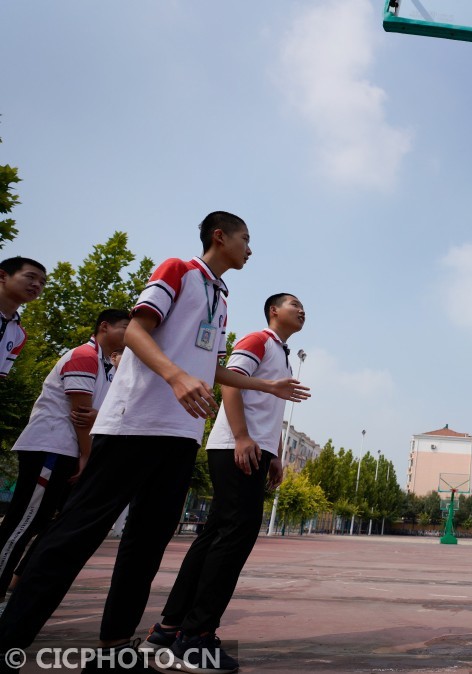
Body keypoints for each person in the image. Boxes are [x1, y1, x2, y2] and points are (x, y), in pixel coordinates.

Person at [0, 211, 310, 672]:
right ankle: (10, 640)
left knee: (145, 548)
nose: (250, 248)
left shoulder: (220, 297)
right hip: (133, 424)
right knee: (73, 537)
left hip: (180, 435)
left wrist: (268, 387)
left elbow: (210, 367)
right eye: (246, 239)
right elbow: (137, 331)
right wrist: (175, 376)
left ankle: (115, 652)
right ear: (219, 237)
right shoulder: (177, 270)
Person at [140, 292, 307, 671]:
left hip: (254, 447)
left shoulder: (280, 353)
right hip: (236, 445)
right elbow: (230, 384)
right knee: (235, 534)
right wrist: (243, 437)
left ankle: (169, 629)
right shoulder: (257, 340)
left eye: (304, 308)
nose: (301, 311)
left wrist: (275, 452)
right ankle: (196, 637)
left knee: (217, 533)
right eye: (294, 304)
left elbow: (271, 409)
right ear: (273, 311)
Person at [0, 309, 130, 606]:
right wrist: (86, 456)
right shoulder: (84, 356)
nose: (130, 335)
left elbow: (107, 414)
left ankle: (18, 587)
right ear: (104, 326)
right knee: (24, 521)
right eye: (126, 327)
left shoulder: (109, 367)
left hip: (72, 452)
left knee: (51, 525)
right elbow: (81, 417)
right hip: (52, 448)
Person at [0, 257, 46, 378]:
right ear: (2, 276)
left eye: (42, 282)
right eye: (30, 277)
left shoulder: (19, 335)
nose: (37, 285)